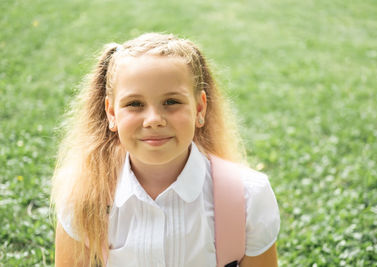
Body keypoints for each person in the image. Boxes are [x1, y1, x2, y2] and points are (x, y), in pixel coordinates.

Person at [52, 33, 280, 267]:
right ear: (111, 113)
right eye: (134, 104)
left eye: (171, 102)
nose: (153, 120)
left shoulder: (249, 197)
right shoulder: (83, 196)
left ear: (200, 108)